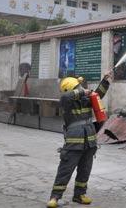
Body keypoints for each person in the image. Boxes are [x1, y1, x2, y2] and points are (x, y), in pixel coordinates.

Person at [46, 70, 113, 208]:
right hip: (74, 143)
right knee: (65, 170)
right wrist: (83, 92)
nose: (82, 88)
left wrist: (105, 81)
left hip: (89, 141)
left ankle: (79, 195)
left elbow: (98, 94)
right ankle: (55, 197)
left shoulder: (86, 100)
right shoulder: (67, 102)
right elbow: (66, 97)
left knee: (85, 170)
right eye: (79, 86)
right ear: (73, 89)